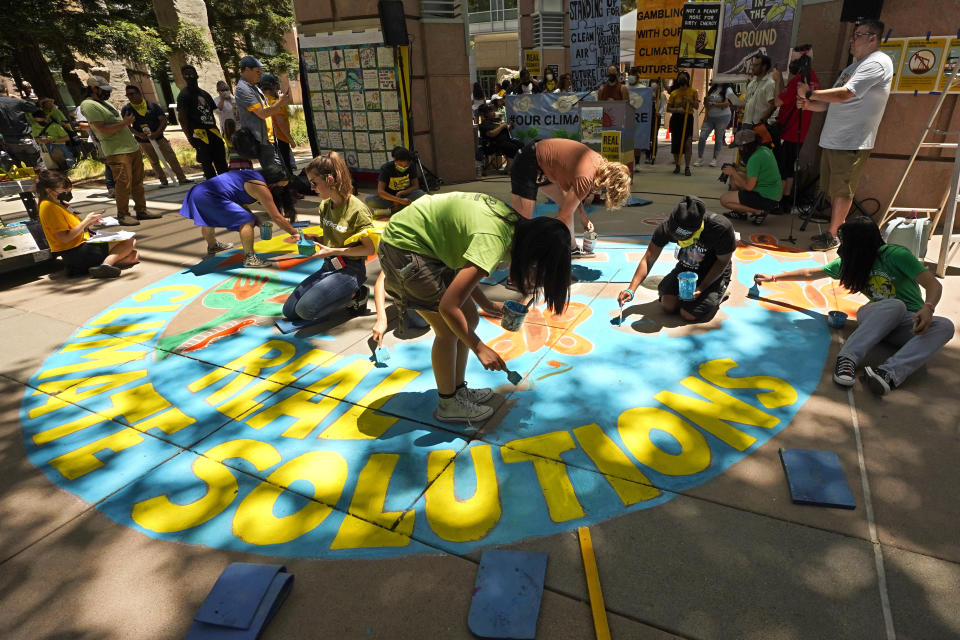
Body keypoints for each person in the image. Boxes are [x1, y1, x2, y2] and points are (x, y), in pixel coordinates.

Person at [378, 191, 572, 423]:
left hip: (427, 244)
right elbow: (448, 306)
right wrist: (480, 347)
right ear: (533, 253)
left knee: (469, 319)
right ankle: (448, 403)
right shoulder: (494, 240)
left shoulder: (511, 223)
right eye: (535, 267)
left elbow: (463, 268)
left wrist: (487, 305)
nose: (532, 271)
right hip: (404, 246)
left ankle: (458, 390)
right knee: (448, 330)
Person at [754, 216, 953, 396]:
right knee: (895, 305)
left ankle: (888, 374)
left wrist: (928, 308)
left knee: (944, 325)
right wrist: (773, 277)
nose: (841, 247)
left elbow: (933, 284)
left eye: (845, 242)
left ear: (859, 244)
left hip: (908, 322)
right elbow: (810, 274)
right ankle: (847, 359)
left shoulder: (895, 255)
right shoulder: (851, 262)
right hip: (877, 318)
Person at [797, 20, 893, 251]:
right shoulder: (852, 67)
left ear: (872, 38)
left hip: (852, 140)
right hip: (834, 138)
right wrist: (810, 105)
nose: (852, 40)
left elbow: (845, 94)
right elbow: (834, 104)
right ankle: (834, 230)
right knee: (833, 189)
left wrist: (811, 92)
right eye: (852, 35)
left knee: (842, 191)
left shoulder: (877, 63)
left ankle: (833, 236)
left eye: (857, 35)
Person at [281, 152, 376, 328]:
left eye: (314, 183)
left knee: (305, 311)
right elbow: (331, 236)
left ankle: (356, 294)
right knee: (289, 310)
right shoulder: (325, 205)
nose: (312, 188)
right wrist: (308, 237)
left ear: (330, 179)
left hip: (350, 270)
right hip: (330, 265)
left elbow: (369, 250)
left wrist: (333, 251)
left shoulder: (357, 210)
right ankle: (341, 293)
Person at [618, 196, 736, 323]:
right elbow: (648, 258)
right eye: (675, 235)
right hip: (687, 268)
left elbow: (722, 262)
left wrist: (702, 288)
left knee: (688, 315)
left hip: (714, 272)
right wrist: (631, 289)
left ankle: (719, 293)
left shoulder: (720, 228)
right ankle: (693, 299)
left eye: (684, 237)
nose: (679, 239)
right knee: (667, 305)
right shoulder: (667, 228)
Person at [509, 138, 631, 253]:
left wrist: (583, 218)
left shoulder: (598, 163)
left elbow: (573, 198)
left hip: (543, 164)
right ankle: (514, 263)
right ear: (606, 184)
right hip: (528, 161)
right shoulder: (586, 178)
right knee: (522, 223)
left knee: (565, 206)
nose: (602, 195)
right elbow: (563, 216)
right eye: (605, 193)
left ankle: (572, 248)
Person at [178, 163, 298, 268]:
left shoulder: (250, 175)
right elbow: (276, 217)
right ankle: (250, 258)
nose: (282, 189)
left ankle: (212, 246)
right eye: (281, 186)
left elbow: (236, 199)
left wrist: (254, 216)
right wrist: (295, 233)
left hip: (198, 192)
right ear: (274, 182)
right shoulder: (260, 187)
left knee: (208, 219)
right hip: (209, 196)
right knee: (247, 220)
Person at [80, 75, 159, 225]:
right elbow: (102, 129)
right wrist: (125, 123)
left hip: (130, 148)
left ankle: (141, 210)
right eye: (103, 89)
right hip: (117, 151)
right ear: (92, 88)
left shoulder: (103, 103)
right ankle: (123, 214)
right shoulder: (89, 105)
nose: (106, 93)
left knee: (137, 182)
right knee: (123, 184)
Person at [36, 169, 138, 278]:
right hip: (76, 251)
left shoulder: (57, 203)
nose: (65, 191)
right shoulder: (48, 207)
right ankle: (105, 265)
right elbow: (64, 238)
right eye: (62, 189)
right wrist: (86, 221)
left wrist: (89, 223)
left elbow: (72, 227)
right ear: (48, 190)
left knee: (134, 256)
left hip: (80, 248)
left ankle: (91, 267)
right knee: (129, 241)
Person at [775, 50, 819, 212]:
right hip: (800, 131)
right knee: (789, 168)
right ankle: (785, 201)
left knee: (783, 168)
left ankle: (780, 202)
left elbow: (779, 101)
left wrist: (778, 80)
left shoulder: (798, 81)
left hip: (789, 131)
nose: (790, 64)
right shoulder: (813, 79)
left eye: (793, 60)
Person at [122, 85, 190, 186]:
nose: (130, 97)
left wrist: (157, 133)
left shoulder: (152, 106)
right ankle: (163, 181)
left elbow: (163, 120)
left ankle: (182, 178)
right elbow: (126, 125)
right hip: (143, 141)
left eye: (132, 94)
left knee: (171, 157)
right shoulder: (127, 109)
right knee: (153, 161)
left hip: (159, 137)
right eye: (128, 95)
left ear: (139, 93)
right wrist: (139, 134)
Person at [234, 56, 289, 170]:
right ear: (247, 70)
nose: (260, 74)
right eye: (257, 71)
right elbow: (262, 113)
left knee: (282, 173)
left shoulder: (254, 87)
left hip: (269, 138)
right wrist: (280, 103)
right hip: (261, 141)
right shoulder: (243, 89)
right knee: (276, 176)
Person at [176, 65, 228, 179]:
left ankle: (227, 183)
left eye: (192, 74)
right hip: (199, 133)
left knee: (221, 160)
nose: (190, 77)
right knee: (207, 163)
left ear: (197, 75)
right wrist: (190, 137)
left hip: (213, 131)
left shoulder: (204, 94)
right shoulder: (183, 95)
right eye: (187, 75)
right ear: (183, 77)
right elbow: (182, 118)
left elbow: (211, 113)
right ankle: (214, 188)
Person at [720, 129, 782, 220]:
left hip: (766, 198)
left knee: (724, 200)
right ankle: (740, 212)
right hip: (774, 194)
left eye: (740, 147)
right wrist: (735, 170)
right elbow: (754, 172)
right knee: (735, 177)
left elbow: (749, 187)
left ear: (747, 146)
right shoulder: (764, 150)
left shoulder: (754, 159)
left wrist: (733, 172)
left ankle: (759, 211)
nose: (739, 149)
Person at [365, 146, 426, 214]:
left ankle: (393, 210)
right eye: (400, 165)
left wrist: (401, 193)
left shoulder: (411, 166)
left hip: (405, 197)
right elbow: (380, 192)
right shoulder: (386, 168)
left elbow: (416, 186)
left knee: (420, 193)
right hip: (389, 198)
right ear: (394, 160)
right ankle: (401, 208)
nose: (403, 167)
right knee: (369, 199)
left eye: (405, 166)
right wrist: (398, 200)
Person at [74, 104, 116, 197]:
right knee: (109, 163)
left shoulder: (105, 104)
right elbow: (82, 125)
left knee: (115, 162)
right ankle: (112, 188)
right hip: (101, 140)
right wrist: (100, 125)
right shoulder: (83, 107)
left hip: (114, 138)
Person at [259, 73, 297, 176]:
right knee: (286, 170)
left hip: (266, 140)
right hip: (280, 140)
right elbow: (281, 124)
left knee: (274, 171)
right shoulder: (276, 103)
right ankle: (290, 190)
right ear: (274, 86)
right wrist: (291, 140)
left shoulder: (261, 102)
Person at [694, 82, 738, 167]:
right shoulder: (712, 89)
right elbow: (706, 104)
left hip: (722, 117)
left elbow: (727, 104)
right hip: (709, 116)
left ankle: (714, 159)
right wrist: (706, 102)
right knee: (702, 136)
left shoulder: (728, 90)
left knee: (718, 138)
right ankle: (700, 158)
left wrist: (713, 104)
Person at [667, 71, 699, 175]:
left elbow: (696, 106)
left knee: (688, 143)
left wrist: (691, 101)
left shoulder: (693, 91)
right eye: (680, 77)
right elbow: (668, 108)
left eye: (684, 77)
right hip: (676, 119)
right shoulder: (674, 93)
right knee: (676, 143)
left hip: (688, 118)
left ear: (688, 79)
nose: (682, 78)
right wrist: (677, 110)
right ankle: (677, 165)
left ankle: (687, 167)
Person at [0, 91, 43, 168]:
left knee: (24, 167)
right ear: (6, 90)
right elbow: (34, 108)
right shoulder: (15, 101)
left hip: (9, 141)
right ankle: (44, 179)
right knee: (38, 164)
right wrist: (18, 98)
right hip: (25, 137)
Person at [477, 103, 523, 170]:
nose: (493, 112)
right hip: (493, 144)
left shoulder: (496, 121)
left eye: (493, 111)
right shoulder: (484, 124)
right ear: (485, 114)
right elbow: (491, 134)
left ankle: (512, 166)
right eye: (490, 111)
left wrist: (511, 126)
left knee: (520, 144)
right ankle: (510, 168)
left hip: (505, 140)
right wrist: (502, 126)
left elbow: (506, 128)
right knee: (511, 147)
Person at [743, 54, 777, 130]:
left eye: (756, 65)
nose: (752, 68)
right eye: (753, 65)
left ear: (764, 67)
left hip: (758, 125)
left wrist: (762, 120)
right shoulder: (752, 83)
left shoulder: (770, 83)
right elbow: (747, 102)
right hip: (746, 122)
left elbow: (773, 104)